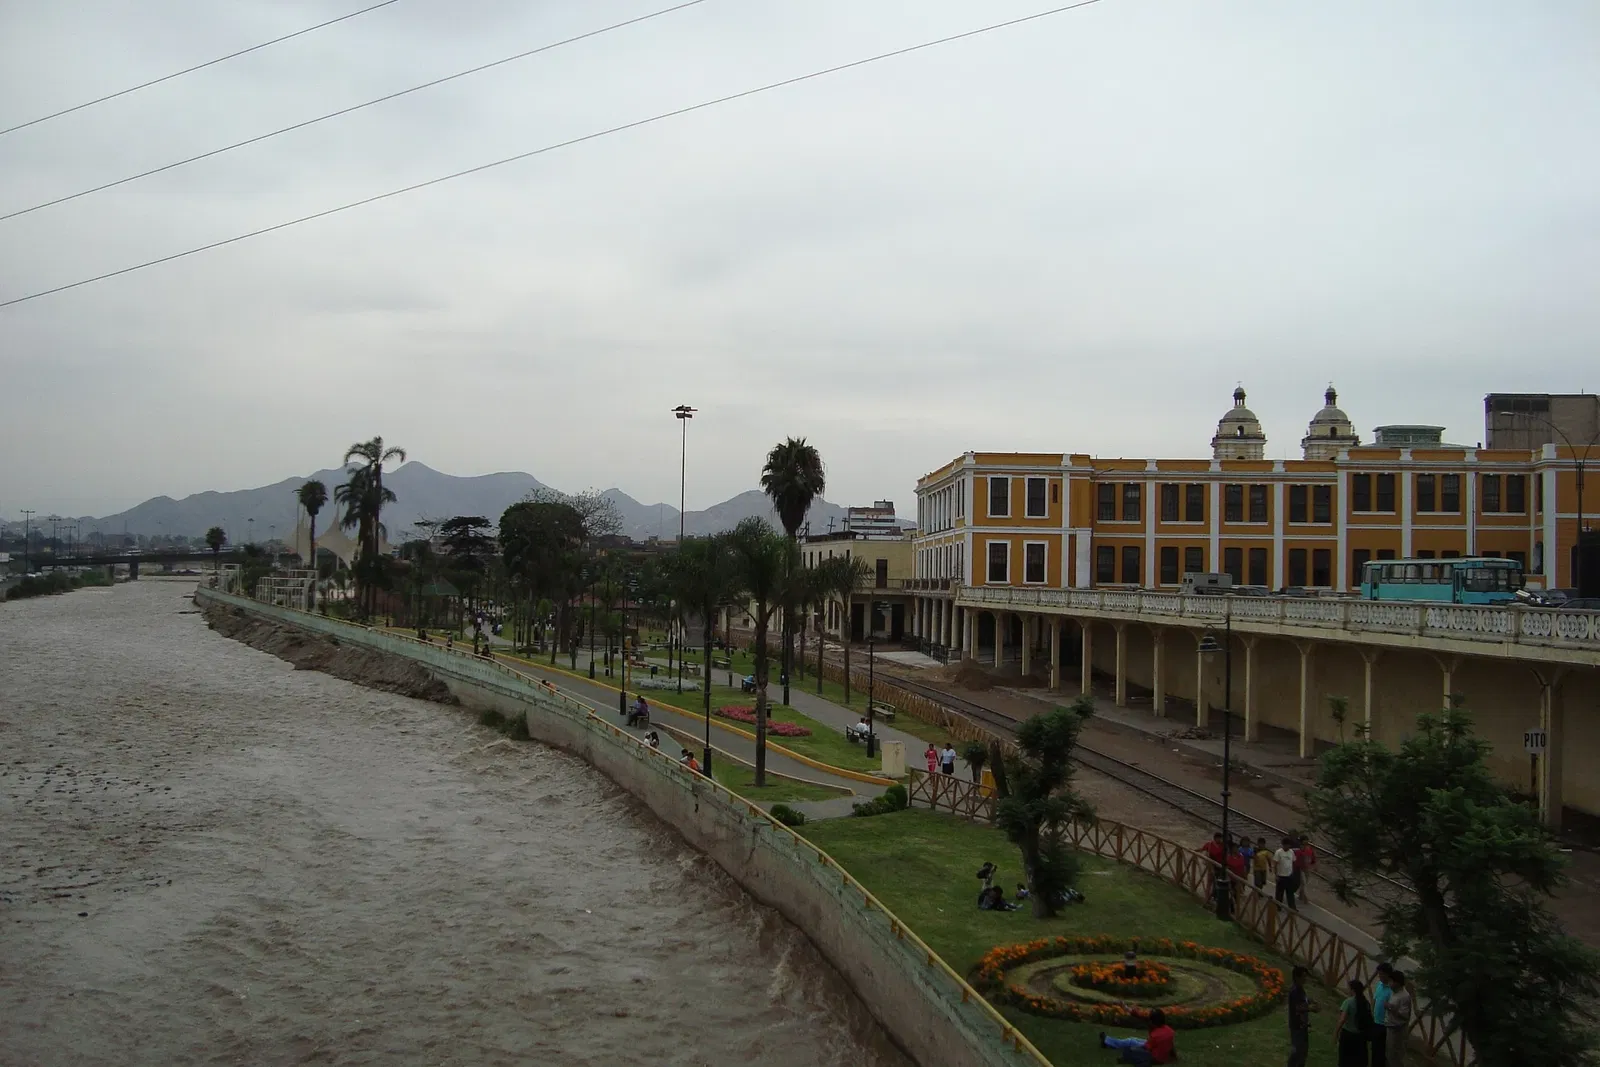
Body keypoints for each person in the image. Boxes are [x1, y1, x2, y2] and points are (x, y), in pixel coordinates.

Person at [1098, 1009, 1177, 1066]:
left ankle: (1107, 1041)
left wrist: (1133, 1049)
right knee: (1133, 1040)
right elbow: (1170, 1045)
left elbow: (1146, 1048)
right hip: (1156, 1049)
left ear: (1153, 1022)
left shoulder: (1155, 1035)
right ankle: (1108, 1041)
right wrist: (1173, 1056)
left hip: (1153, 1055)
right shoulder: (1169, 1030)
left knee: (1130, 1042)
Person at [1336, 978, 1372, 1067]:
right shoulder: (1366, 1003)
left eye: (1348, 988)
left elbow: (1342, 1019)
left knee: (1345, 1061)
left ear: (1353, 990)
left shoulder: (1348, 1002)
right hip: (1361, 1037)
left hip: (1348, 1036)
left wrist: (1336, 1033)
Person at [1286, 965, 1317, 1067]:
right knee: (1297, 1052)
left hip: (1302, 1026)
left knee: (1303, 1052)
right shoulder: (1295, 991)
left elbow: (1302, 1001)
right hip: (1297, 1026)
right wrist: (1311, 1009)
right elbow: (1297, 1008)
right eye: (1303, 976)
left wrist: (1309, 1000)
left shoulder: (1300, 989)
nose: (1305, 978)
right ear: (1297, 977)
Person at [1383, 972, 1412, 1067]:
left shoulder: (1404, 996)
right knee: (1388, 1054)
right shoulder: (1394, 992)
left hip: (1397, 1030)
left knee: (1394, 1056)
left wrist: (1391, 1008)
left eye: (1391, 981)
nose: (1389, 983)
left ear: (1398, 983)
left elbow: (1405, 1016)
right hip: (1390, 1026)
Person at [1369, 963, 1393, 1067]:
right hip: (1375, 1021)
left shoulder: (1392, 990)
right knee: (1374, 1049)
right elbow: (1375, 999)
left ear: (1388, 974)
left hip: (1385, 1025)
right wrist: (1371, 1013)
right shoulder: (1379, 984)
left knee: (1381, 1051)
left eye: (1381, 974)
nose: (1379, 976)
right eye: (1379, 974)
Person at [1273, 837, 1299, 910]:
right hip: (1281, 876)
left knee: (1290, 893)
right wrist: (1276, 875)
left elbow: (1293, 862)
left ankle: (1292, 907)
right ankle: (1278, 907)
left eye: (1288, 845)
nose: (1287, 846)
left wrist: (1293, 872)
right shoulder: (1278, 852)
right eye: (1285, 845)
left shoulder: (1291, 852)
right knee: (1279, 893)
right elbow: (1275, 864)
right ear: (1283, 845)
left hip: (1289, 876)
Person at [1295, 836, 1318, 904]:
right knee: (1304, 883)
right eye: (1305, 840)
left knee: (1305, 883)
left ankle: (1301, 895)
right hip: (1300, 868)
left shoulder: (1310, 849)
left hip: (1307, 868)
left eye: (1307, 840)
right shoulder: (1299, 849)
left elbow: (1313, 857)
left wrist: (1315, 865)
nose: (1306, 841)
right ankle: (1305, 898)